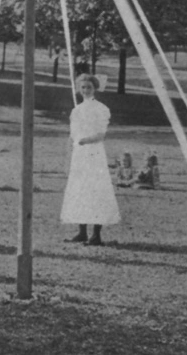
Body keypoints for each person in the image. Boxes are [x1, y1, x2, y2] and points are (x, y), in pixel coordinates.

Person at [61, 74, 120, 245]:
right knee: (80, 190)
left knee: (96, 191)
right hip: (79, 155)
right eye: (83, 87)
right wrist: (70, 153)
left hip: (93, 153)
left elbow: (101, 134)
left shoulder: (101, 108)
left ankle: (96, 234)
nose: (85, 90)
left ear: (95, 89)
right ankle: (81, 232)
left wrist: (85, 140)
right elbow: (72, 136)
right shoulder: (76, 110)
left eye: (89, 87)